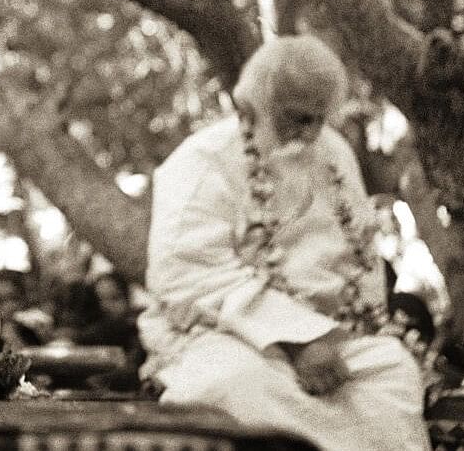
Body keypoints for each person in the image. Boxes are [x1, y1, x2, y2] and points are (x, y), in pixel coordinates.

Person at [137, 36, 430, 451]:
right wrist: (297, 338)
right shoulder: (202, 160)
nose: (308, 134)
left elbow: (361, 259)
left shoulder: (336, 154)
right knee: (234, 385)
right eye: (295, 118)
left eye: (318, 119)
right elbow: (185, 277)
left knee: (391, 371)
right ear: (253, 106)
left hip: (332, 339)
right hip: (225, 336)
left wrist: (338, 333)